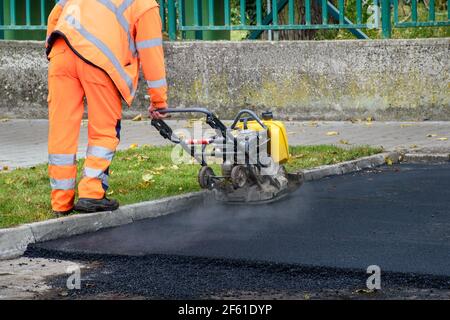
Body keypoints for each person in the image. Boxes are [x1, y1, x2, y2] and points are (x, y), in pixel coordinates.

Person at [46, 0, 167, 215]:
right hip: (100, 60)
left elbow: (55, 16)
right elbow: (151, 54)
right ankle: (91, 193)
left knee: (61, 130)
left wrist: (53, 51)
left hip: (61, 52)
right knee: (104, 129)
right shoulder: (145, 4)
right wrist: (159, 101)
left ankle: (60, 201)